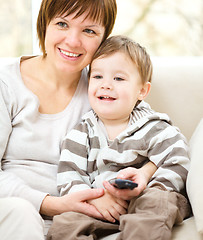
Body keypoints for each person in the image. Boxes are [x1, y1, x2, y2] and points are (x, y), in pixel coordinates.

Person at [47, 35, 191, 240]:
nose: (106, 85)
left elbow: (178, 160)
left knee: (158, 202)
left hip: (146, 199)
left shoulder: (153, 126)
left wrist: (147, 182)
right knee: (65, 223)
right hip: (100, 206)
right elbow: (69, 176)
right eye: (97, 77)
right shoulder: (81, 133)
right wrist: (94, 200)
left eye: (118, 79)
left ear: (142, 90)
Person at [0, 0, 118, 239]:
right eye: (62, 24)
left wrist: (143, 174)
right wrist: (51, 204)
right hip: (13, 212)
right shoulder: (6, 83)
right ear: (44, 24)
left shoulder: (104, 88)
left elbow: (151, 138)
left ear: (104, 39)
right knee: (21, 212)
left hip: (76, 222)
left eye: (89, 30)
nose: (73, 41)